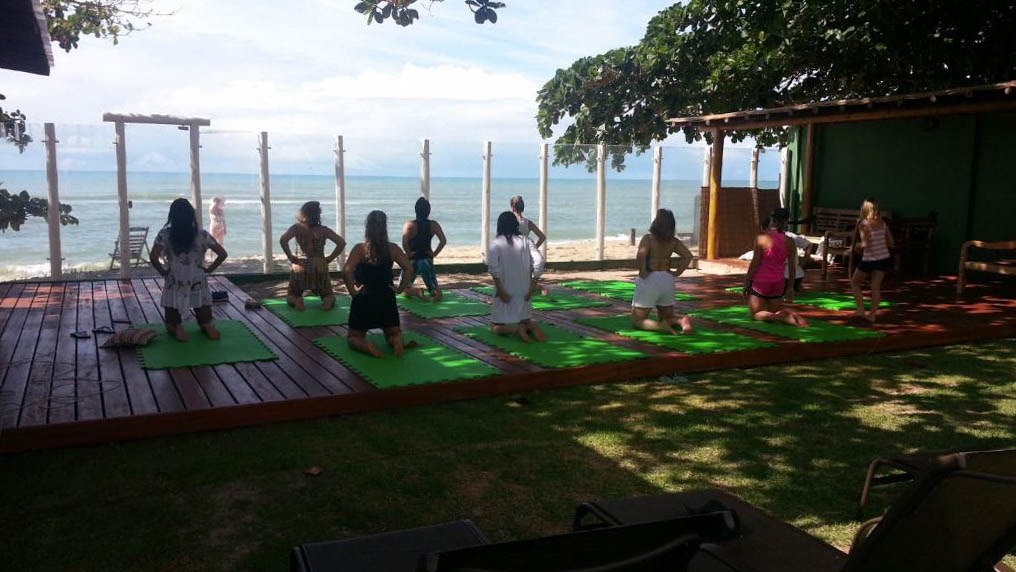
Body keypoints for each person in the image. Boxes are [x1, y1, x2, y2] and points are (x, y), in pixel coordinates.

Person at [149, 198, 228, 342]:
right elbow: (222, 254)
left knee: (171, 316)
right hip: (197, 279)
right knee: (203, 312)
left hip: (175, 279)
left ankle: (177, 326)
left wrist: (163, 272)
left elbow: (153, 257)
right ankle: (206, 325)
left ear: (172, 216)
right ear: (191, 215)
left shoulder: (164, 234)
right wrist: (209, 269)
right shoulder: (202, 234)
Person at [343, 210, 416, 358]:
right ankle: (395, 339)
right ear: (384, 227)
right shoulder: (393, 248)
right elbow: (409, 268)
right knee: (392, 333)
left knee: (353, 337)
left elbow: (347, 271)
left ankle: (366, 345)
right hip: (386, 297)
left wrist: (352, 291)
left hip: (364, 298)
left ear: (367, 228)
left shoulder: (359, 249)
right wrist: (400, 288)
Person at [631, 209, 695, 334]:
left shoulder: (648, 239)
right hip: (667, 279)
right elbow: (688, 256)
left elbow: (641, 256)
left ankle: (660, 326)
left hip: (650, 279)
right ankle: (681, 321)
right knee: (667, 317)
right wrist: (677, 272)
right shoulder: (673, 241)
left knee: (638, 320)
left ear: (656, 222)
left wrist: (643, 271)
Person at [744, 208, 808, 327]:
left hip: (760, 282)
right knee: (773, 311)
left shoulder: (761, 239)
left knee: (755, 314)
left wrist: (747, 283)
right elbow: (792, 267)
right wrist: (790, 288)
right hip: (778, 282)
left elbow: (755, 263)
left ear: (772, 220)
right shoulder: (790, 242)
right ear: (785, 222)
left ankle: (783, 318)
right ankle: (790, 315)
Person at [488, 211, 545, 342]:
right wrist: (532, 286)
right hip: (524, 290)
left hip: (505, 290)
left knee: (495, 326)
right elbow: (539, 261)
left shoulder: (496, 243)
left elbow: (493, 269)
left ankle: (515, 330)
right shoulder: (526, 241)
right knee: (525, 320)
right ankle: (528, 327)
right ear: (515, 225)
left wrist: (501, 291)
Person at [280, 201, 346, 311]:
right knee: (328, 294)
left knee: (292, 295)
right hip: (319, 264)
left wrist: (290, 256)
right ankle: (327, 301)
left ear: (303, 213)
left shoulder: (296, 228)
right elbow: (341, 243)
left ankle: (296, 300)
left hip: (301, 264)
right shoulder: (324, 230)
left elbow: (283, 240)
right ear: (318, 215)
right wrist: (330, 258)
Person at [851, 197, 894, 323]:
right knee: (875, 287)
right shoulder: (882, 223)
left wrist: (855, 246)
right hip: (883, 258)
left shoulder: (863, 224)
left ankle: (860, 310)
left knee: (855, 283)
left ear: (864, 209)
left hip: (869, 260)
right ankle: (872, 315)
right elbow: (891, 242)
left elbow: (864, 244)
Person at [401, 197, 447, 302]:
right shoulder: (434, 224)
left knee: (403, 289)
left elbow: (404, 242)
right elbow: (443, 241)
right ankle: (435, 293)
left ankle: (417, 291)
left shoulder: (409, 225)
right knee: (433, 287)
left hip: (413, 258)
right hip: (426, 257)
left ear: (416, 210)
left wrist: (408, 253)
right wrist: (434, 254)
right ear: (428, 211)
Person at [509, 196, 546, 289]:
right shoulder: (528, 222)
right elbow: (542, 237)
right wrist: (534, 248)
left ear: (512, 208)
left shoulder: (509, 222)